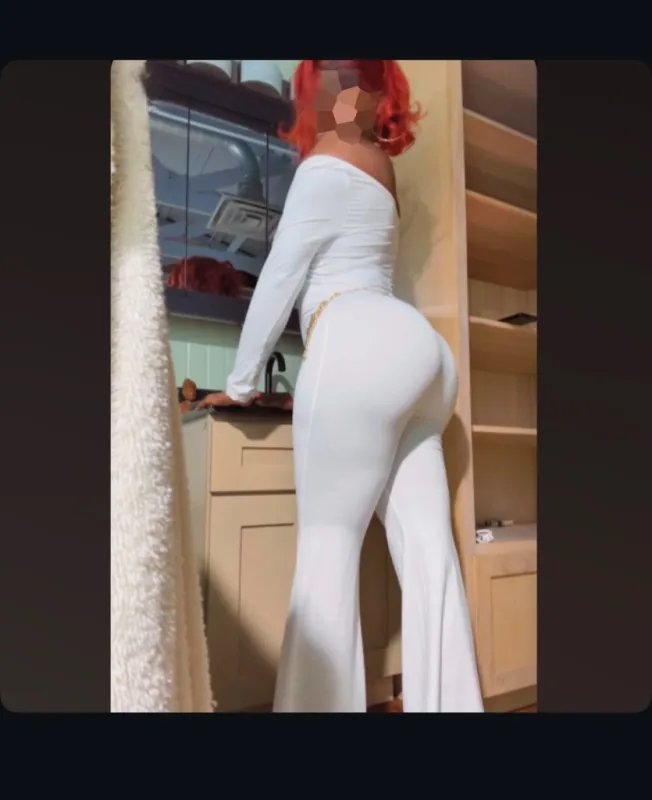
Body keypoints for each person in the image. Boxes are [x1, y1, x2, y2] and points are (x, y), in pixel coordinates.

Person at [196, 60, 483, 712]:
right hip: (422, 357)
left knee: (328, 549)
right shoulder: (379, 168)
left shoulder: (324, 164)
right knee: (431, 555)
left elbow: (280, 278)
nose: (324, 87)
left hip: (353, 342)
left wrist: (241, 384)